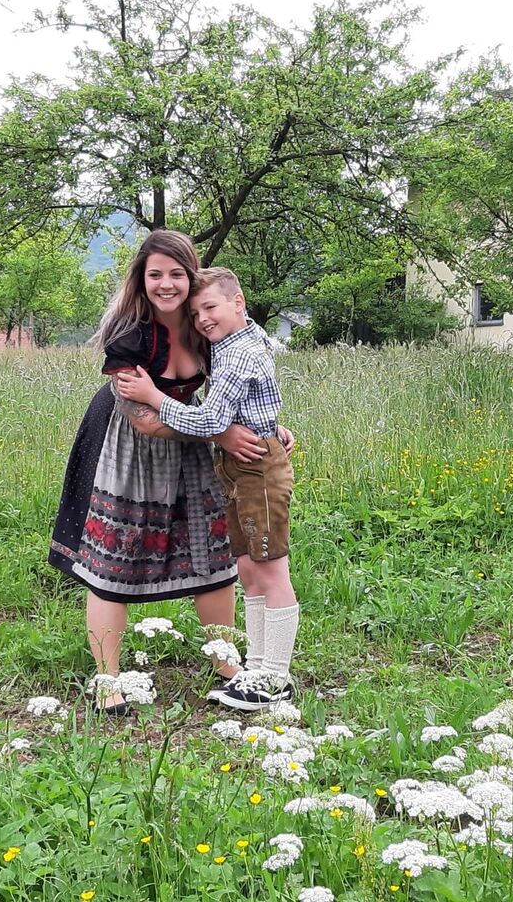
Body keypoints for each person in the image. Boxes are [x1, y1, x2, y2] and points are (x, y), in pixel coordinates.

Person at [48, 231, 292, 714]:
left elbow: (239, 384)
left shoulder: (206, 322)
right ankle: (108, 681)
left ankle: (228, 664)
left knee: (214, 556)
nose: (166, 284)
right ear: (141, 279)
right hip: (128, 445)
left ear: (191, 275)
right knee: (114, 561)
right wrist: (222, 435)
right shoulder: (130, 335)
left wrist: (263, 427)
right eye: (155, 274)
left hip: (195, 433)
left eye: (177, 274)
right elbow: (144, 418)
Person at [117, 266, 298, 712]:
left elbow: (211, 420)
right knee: (250, 569)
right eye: (196, 313)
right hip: (240, 466)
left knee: (271, 571)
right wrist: (269, 424)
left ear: (238, 302)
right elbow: (253, 400)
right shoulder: (240, 340)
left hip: (257, 469)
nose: (202, 320)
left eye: (210, 308)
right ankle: (257, 668)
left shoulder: (237, 354)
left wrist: (154, 396)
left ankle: (275, 677)